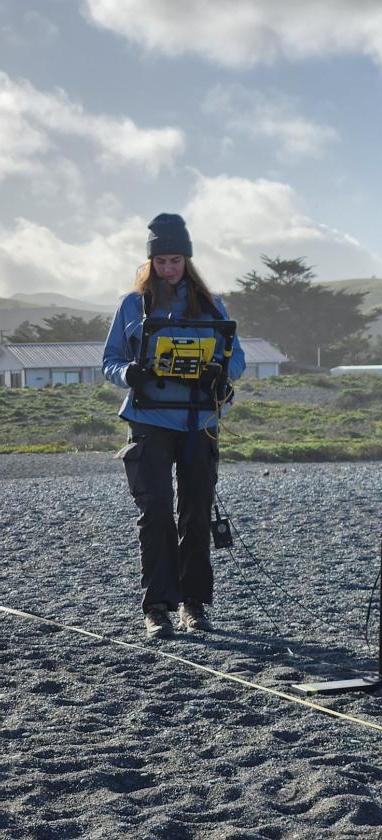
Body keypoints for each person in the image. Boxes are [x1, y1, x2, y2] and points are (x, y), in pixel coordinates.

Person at [103, 213, 246, 639]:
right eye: (161, 261)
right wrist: (130, 374)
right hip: (147, 421)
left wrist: (221, 374)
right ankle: (157, 608)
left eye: (176, 260)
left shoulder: (211, 303)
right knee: (157, 513)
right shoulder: (132, 305)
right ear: (151, 262)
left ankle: (194, 604)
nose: (169, 268)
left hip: (198, 421)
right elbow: (108, 360)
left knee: (196, 513)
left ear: (187, 260)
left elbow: (235, 358)